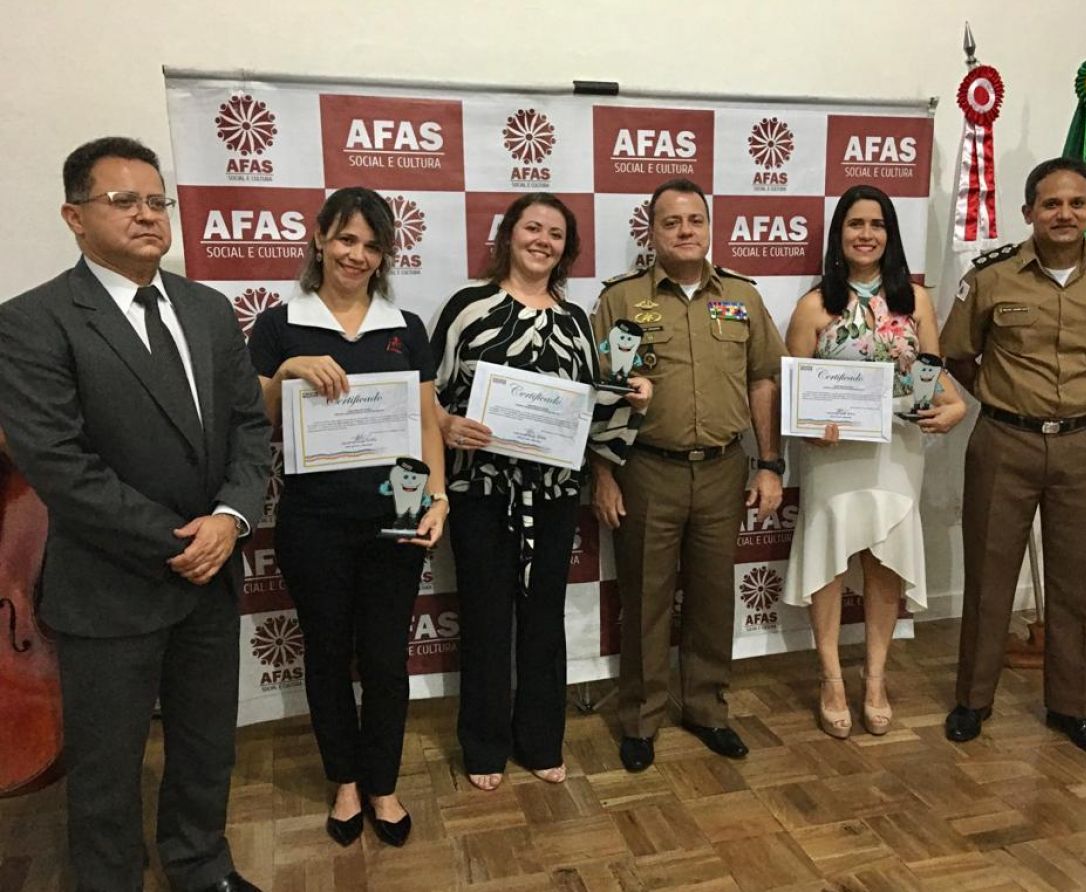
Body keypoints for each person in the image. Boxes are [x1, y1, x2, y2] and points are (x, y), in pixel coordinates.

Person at [0, 137, 271, 892]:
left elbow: (250, 427)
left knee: (204, 745)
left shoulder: (209, 310)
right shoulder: (32, 322)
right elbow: (61, 467)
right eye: (124, 201)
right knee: (107, 768)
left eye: (158, 201)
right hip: (111, 586)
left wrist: (230, 520)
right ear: (74, 216)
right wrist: (179, 541)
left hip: (210, 577)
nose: (148, 215)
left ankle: (200, 865)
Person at [941, 157, 1086, 759]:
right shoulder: (991, 278)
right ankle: (973, 700)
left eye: (1076, 203)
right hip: (1004, 443)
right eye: (1051, 204)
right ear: (1029, 213)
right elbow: (960, 357)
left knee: (1075, 583)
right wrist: (1009, 402)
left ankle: (1071, 708)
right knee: (990, 580)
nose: (1064, 214)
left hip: (1083, 446)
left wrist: (1085, 402)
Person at [431, 192, 650, 791]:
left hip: (553, 495)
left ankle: (541, 739)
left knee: (543, 617)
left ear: (566, 248)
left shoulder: (575, 319)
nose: (543, 241)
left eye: (556, 234)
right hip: (479, 490)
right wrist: (447, 425)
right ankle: (482, 745)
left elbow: (585, 406)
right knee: (484, 616)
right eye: (533, 228)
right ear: (509, 235)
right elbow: (428, 392)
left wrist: (629, 400)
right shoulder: (467, 308)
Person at [248, 187, 447, 846]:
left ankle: (383, 786)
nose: (356, 255)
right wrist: (286, 371)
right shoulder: (279, 325)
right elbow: (255, 420)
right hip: (314, 523)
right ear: (320, 240)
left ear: (384, 253)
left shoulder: (404, 327)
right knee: (328, 656)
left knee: (387, 659)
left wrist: (436, 498)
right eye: (346, 240)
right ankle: (344, 782)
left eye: (370, 244)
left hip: (396, 519)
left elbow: (424, 424)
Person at [591, 178, 786, 772]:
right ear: (652, 232)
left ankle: (707, 709)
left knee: (711, 596)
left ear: (709, 227)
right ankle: (642, 719)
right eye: (670, 222)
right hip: (647, 469)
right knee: (646, 597)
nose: (684, 231)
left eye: (694, 220)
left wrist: (772, 463)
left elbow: (762, 380)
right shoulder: (621, 300)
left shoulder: (744, 298)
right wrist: (603, 473)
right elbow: (597, 393)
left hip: (725, 468)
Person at [782, 185, 966, 739]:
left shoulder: (916, 302)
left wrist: (955, 409)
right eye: (855, 224)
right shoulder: (815, 306)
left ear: (891, 234)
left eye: (877, 224)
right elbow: (795, 394)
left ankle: (876, 678)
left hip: (898, 453)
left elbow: (936, 378)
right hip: (835, 457)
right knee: (830, 561)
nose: (866, 234)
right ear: (839, 236)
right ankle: (832, 678)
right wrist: (811, 432)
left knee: (886, 561)